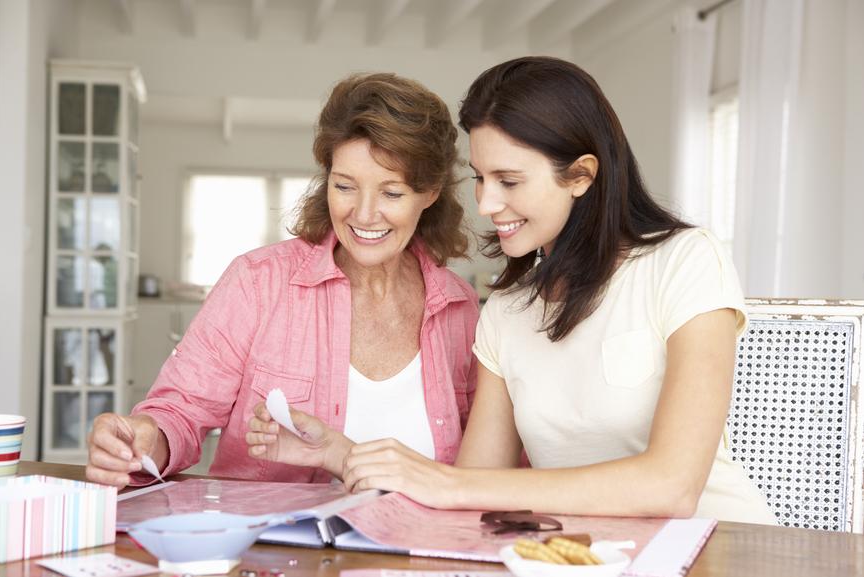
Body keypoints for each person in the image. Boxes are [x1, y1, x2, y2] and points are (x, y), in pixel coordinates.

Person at [265, 56, 776, 524]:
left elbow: (672, 487)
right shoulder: (507, 313)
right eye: (481, 179)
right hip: (578, 557)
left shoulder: (684, 261)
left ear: (581, 175)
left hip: (724, 546)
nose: (486, 203)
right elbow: (471, 491)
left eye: (509, 181)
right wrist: (341, 454)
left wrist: (452, 484)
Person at [85, 72, 479, 488]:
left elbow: (487, 465)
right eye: (345, 186)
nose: (363, 215)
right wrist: (146, 438)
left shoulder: (460, 308)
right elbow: (181, 411)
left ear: (430, 192)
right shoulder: (257, 283)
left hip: (420, 548)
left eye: (392, 193)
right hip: (272, 551)